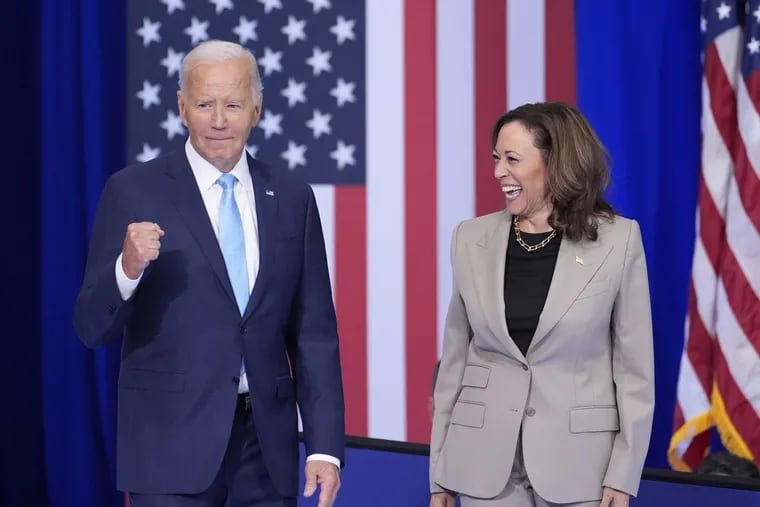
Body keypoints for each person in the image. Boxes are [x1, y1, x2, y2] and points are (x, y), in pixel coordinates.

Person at [73, 40, 345, 507]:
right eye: (204, 104)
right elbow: (90, 326)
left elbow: (314, 334)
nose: (219, 120)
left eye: (233, 105)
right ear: (182, 108)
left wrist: (324, 447)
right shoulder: (133, 190)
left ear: (256, 110)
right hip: (168, 448)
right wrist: (127, 268)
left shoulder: (293, 197)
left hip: (267, 452)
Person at [429, 102, 654, 507]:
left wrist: (624, 475)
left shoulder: (619, 241)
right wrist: (439, 474)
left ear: (555, 163)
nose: (499, 171)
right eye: (496, 158)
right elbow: (454, 363)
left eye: (512, 159)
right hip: (485, 466)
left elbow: (635, 372)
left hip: (580, 468)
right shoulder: (470, 238)